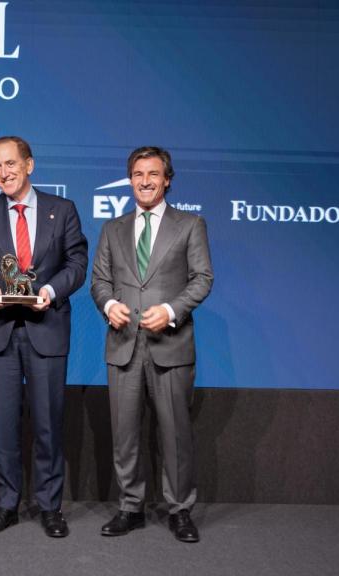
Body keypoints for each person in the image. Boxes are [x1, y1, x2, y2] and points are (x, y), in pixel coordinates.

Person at [0, 136, 88, 538]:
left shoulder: (62, 209)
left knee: (49, 423)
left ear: (29, 165)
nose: (3, 173)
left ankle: (50, 507)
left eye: (10, 164)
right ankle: (6, 504)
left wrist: (50, 292)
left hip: (46, 329)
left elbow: (77, 263)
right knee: (3, 425)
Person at [90, 146, 213, 543]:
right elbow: (99, 281)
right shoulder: (112, 228)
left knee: (176, 434)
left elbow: (202, 279)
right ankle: (131, 507)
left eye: (153, 174)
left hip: (171, 344)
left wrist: (171, 311)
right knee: (125, 433)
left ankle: (179, 510)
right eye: (138, 174)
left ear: (167, 180)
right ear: (130, 179)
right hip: (124, 344)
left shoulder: (190, 224)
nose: (145, 181)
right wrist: (109, 305)